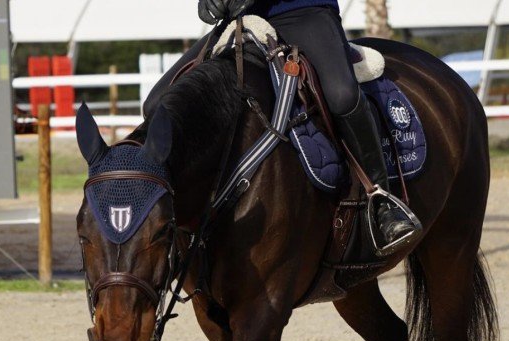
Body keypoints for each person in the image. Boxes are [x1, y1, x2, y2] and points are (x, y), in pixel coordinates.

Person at [146, 0, 421, 252]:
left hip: (302, 11)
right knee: (157, 103)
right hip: (242, 18)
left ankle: (382, 199)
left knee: (342, 95)